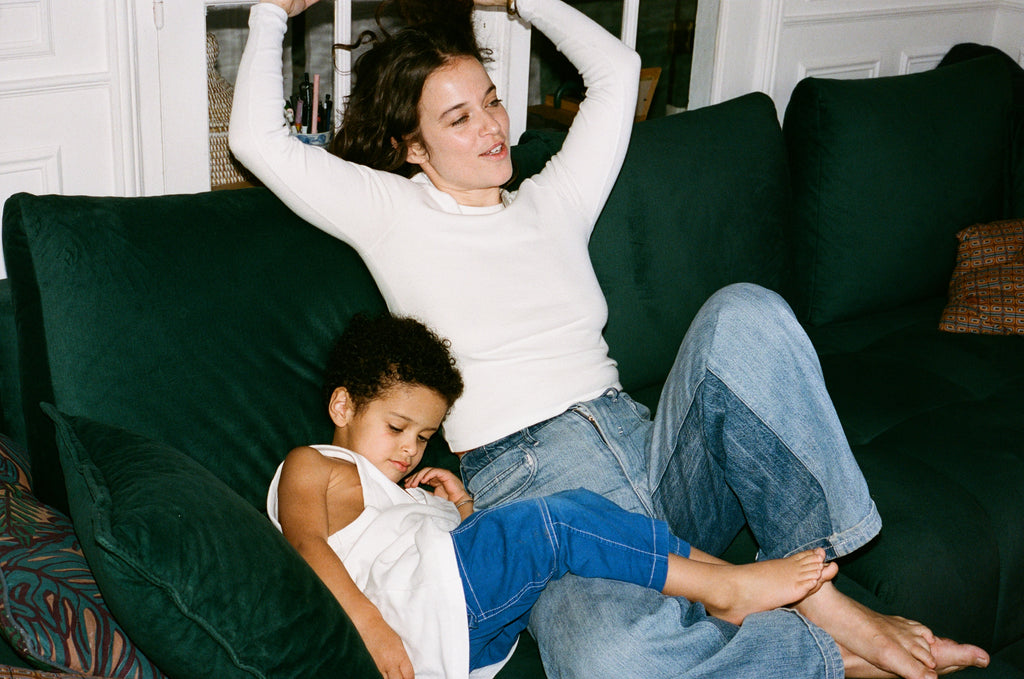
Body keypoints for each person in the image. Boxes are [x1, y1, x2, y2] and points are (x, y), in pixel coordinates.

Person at [229, 0, 992, 676]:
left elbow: (618, 70)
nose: (493, 126)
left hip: (655, 451)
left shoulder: (552, 200)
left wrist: (528, 2)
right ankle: (825, 653)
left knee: (745, 314)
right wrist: (270, 15)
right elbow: (257, 140)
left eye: (490, 101)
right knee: (609, 658)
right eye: (458, 118)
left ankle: (821, 592)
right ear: (413, 148)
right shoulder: (389, 214)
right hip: (534, 493)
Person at [267, 313, 839, 678]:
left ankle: (767, 615)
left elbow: (443, 554)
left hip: (464, 627)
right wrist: (370, 626)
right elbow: (305, 544)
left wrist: (460, 509)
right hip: (417, 621)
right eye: (397, 428)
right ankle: (725, 585)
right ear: (342, 407)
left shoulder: (399, 497)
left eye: (423, 437)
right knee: (556, 523)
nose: (411, 450)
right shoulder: (312, 463)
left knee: (587, 514)